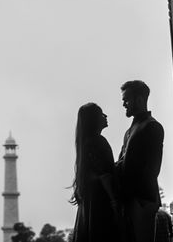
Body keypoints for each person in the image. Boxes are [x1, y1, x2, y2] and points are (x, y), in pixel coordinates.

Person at [115, 80, 163, 242]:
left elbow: (153, 168)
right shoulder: (130, 130)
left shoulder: (152, 126)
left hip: (142, 200)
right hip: (128, 200)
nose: (123, 104)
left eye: (126, 99)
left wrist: (140, 201)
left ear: (140, 99)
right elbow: (123, 163)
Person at [70, 103, 121, 242]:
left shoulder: (86, 143)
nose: (105, 117)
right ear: (93, 119)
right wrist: (114, 201)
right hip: (101, 201)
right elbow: (104, 176)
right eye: (101, 114)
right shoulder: (97, 141)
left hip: (92, 202)